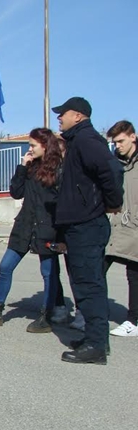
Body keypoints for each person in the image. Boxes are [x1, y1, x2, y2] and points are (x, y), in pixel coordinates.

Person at [53, 97, 123, 364]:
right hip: (79, 225)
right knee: (85, 285)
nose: (59, 117)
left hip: (87, 225)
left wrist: (112, 202)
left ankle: (95, 346)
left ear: (78, 116)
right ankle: (95, 339)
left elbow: (111, 170)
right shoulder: (77, 141)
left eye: (64, 114)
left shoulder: (86, 140)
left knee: (89, 286)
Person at [0, 128, 66, 331]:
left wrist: (61, 233)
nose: (30, 149)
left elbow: (60, 201)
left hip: (47, 228)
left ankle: (46, 315)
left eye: (33, 145)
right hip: (24, 226)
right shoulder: (30, 167)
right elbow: (16, 192)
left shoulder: (59, 169)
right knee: (6, 266)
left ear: (45, 145)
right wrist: (22, 167)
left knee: (48, 272)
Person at [105, 120, 138, 338]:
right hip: (116, 226)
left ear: (133, 136)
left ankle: (133, 320)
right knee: (96, 270)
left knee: (134, 274)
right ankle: (88, 314)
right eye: (115, 142)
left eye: (121, 141)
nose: (118, 146)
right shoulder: (115, 163)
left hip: (134, 226)